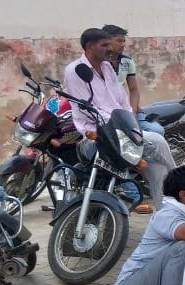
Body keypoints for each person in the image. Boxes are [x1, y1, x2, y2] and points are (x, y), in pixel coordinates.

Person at [64, 27, 177, 214]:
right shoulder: (76, 71)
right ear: (90, 46)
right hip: (97, 136)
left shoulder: (108, 67)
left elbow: (122, 100)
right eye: (105, 45)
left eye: (111, 44)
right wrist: (121, 128)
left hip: (120, 132)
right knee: (158, 141)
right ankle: (184, 183)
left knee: (157, 171)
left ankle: (168, 215)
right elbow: (87, 110)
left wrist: (130, 124)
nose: (111, 49)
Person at [103, 24, 161, 134]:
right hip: (107, 112)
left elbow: (134, 89)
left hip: (126, 109)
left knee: (157, 130)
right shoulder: (98, 63)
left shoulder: (127, 61)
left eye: (124, 41)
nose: (123, 44)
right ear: (107, 42)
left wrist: (133, 112)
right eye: (119, 41)